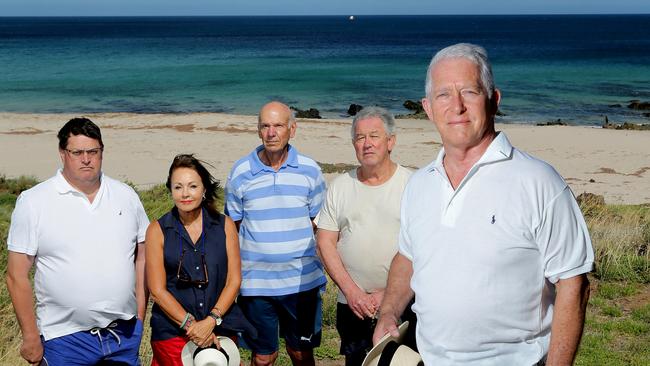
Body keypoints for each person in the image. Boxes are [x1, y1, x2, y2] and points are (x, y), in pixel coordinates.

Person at [372, 43, 594, 365]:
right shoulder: (419, 184)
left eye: (470, 92)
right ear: (428, 108)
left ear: (494, 100)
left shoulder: (538, 182)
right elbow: (407, 256)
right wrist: (389, 312)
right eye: (443, 94)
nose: (457, 106)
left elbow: (574, 284)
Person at [6, 117, 149, 365]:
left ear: (102, 152)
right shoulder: (34, 202)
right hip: (64, 340)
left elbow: (144, 257)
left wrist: (139, 319)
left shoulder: (125, 195)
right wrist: (30, 337)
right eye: (77, 152)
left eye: (93, 151)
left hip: (123, 336)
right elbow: (16, 275)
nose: (86, 159)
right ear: (63, 154)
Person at [224, 101, 327, 366]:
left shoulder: (310, 170)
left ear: (292, 129)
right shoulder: (240, 172)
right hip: (256, 285)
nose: (271, 132)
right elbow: (232, 227)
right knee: (262, 357)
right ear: (258, 131)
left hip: (302, 283)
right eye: (265, 126)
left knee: (301, 354)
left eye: (278, 125)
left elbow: (318, 220)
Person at [316, 106, 414, 366]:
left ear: (390, 141)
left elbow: (425, 246)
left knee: (402, 362)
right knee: (357, 362)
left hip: (404, 301)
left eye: (374, 136)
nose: (367, 144)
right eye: (360, 138)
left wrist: (388, 294)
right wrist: (352, 292)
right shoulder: (340, 186)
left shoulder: (413, 185)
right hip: (352, 305)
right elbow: (325, 241)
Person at [146, 154, 253, 366]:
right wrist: (192, 326)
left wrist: (212, 320)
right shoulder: (157, 230)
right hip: (173, 332)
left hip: (220, 328)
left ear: (204, 189)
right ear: (170, 190)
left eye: (192, 186)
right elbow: (157, 291)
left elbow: (234, 281)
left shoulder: (225, 226)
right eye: (178, 187)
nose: (185, 193)